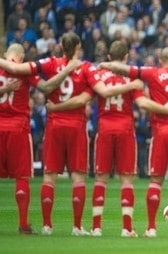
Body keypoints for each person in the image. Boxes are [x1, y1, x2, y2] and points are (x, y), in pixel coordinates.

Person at [0, 32, 140, 236]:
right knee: (78, 177)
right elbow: (90, 96)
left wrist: (55, 108)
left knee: (49, 177)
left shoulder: (48, 62)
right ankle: (76, 226)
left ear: (60, 46)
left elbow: (18, 70)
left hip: (54, 125)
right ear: (78, 48)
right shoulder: (85, 68)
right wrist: (131, 83)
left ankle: (47, 226)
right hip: (75, 126)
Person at [47, 41, 168, 237]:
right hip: (125, 129)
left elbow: (85, 98)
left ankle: (96, 227)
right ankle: (127, 228)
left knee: (100, 179)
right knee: (126, 180)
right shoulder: (131, 78)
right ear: (126, 57)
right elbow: (142, 103)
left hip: (104, 128)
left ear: (110, 58)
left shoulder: (98, 75)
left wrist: (55, 106)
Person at [98, 46, 168, 238]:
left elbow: (126, 70)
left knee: (155, 181)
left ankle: (151, 228)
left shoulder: (152, 73)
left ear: (160, 59)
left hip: (160, 131)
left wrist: (105, 64)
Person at [0, 43, 80, 235]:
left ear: (5, 54)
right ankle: (23, 224)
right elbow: (46, 86)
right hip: (18, 127)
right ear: (22, 57)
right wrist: (67, 70)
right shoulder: (25, 71)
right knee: (22, 177)